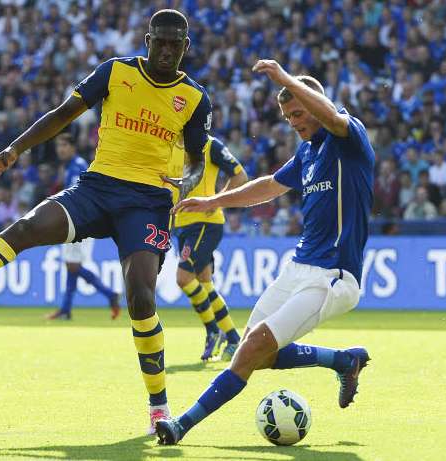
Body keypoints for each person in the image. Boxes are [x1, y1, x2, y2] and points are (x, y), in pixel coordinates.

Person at [0, 9, 211, 433]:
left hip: (148, 201)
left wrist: (187, 182)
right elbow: (64, 113)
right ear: (147, 41)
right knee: (26, 227)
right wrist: (14, 150)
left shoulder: (195, 98)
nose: (166, 50)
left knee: (141, 296)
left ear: (186, 48)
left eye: (175, 44)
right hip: (98, 187)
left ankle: (159, 407)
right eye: (159, 41)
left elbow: (197, 161)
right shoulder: (116, 72)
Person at [155, 60, 374, 445]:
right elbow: (269, 186)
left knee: (253, 349)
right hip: (298, 268)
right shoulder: (307, 153)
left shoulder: (347, 137)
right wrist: (213, 201)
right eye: (287, 115)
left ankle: (180, 426)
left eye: (297, 112)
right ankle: (343, 360)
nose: (292, 121)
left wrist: (284, 78)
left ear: (316, 102)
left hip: (333, 276)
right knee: (257, 351)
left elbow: (332, 117)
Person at [168, 134, 248, 361]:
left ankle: (213, 330)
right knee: (204, 282)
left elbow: (240, 175)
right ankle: (232, 338)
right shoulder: (168, 145)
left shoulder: (209, 145)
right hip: (182, 225)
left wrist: (218, 200)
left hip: (204, 223)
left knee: (183, 278)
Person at [46, 133, 121, 321]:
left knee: (73, 265)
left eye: (64, 145)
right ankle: (65, 309)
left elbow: (78, 198)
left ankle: (110, 294)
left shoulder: (77, 166)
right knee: (71, 265)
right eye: (58, 146)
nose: (60, 149)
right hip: (76, 221)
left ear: (72, 147)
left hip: (81, 222)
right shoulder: (70, 167)